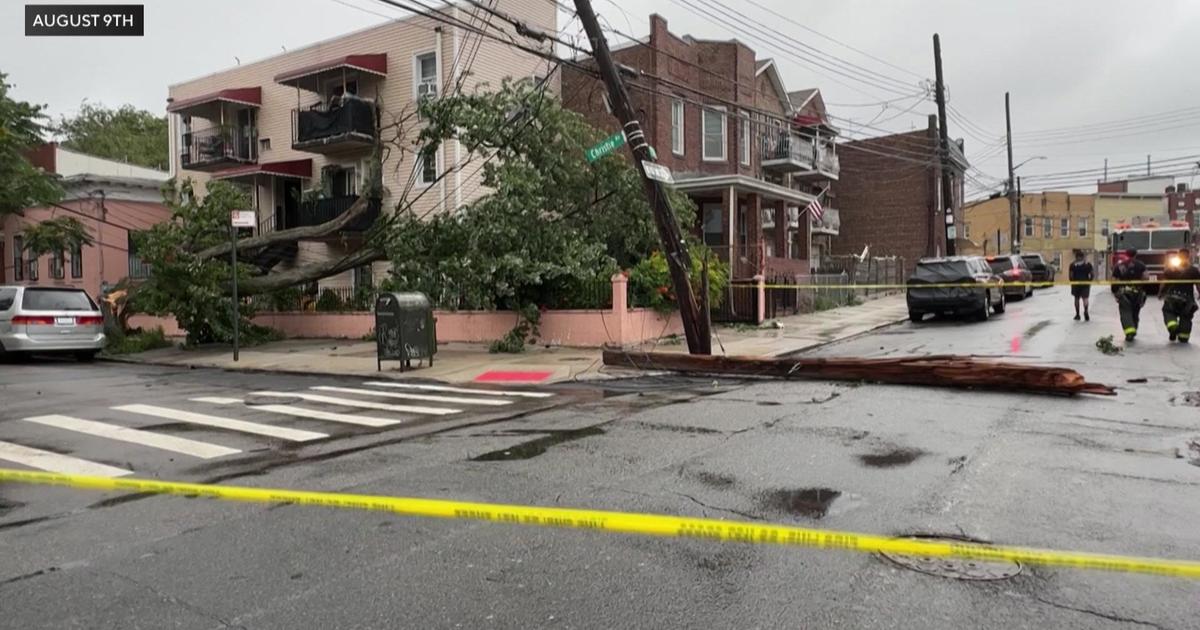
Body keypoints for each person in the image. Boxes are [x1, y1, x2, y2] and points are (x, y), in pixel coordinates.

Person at [1160, 248, 1200, 343]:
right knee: (1186, 317)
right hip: (1188, 299)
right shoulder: (1193, 270)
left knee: (1169, 312)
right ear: (1189, 256)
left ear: (1178, 256)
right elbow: (1198, 284)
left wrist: (1160, 293)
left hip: (1172, 298)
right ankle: (1183, 335)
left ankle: (1173, 329)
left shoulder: (1171, 269)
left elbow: (1163, 283)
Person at [1111, 248, 1148, 341]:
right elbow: (1146, 277)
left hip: (1124, 293)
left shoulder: (1119, 266)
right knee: (1135, 312)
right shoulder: (1141, 265)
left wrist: (1115, 292)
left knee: (1126, 313)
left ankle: (1129, 332)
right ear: (1136, 254)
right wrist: (1143, 290)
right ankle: (1134, 329)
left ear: (1126, 254)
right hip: (1137, 293)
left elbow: (1114, 280)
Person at [1068, 250, 1094, 321]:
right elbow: (1092, 274)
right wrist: (1089, 281)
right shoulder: (1088, 264)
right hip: (1085, 283)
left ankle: (1077, 314)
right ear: (1083, 257)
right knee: (1085, 299)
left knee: (1076, 299)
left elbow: (1071, 276)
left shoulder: (1072, 265)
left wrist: (1072, 282)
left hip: (1076, 284)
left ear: (1076, 257)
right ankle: (1086, 311)